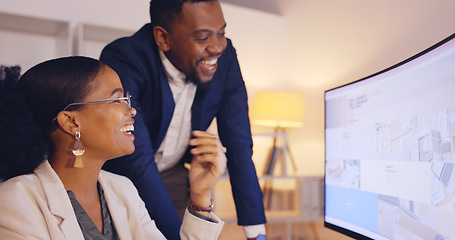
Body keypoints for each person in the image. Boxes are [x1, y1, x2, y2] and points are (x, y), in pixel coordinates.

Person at [0, 56, 225, 239]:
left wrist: (200, 196)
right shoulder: (14, 200)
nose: (131, 111)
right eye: (116, 100)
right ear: (71, 121)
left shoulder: (122, 189)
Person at [99, 0, 266, 239]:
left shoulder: (226, 58)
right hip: (122, 176)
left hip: (176, 173)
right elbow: (137, 160)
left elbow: (239, 141)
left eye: (221, 33)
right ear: (163, 38)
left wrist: (256, 233)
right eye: (202, 38)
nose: (217, 47)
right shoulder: (126, 57)